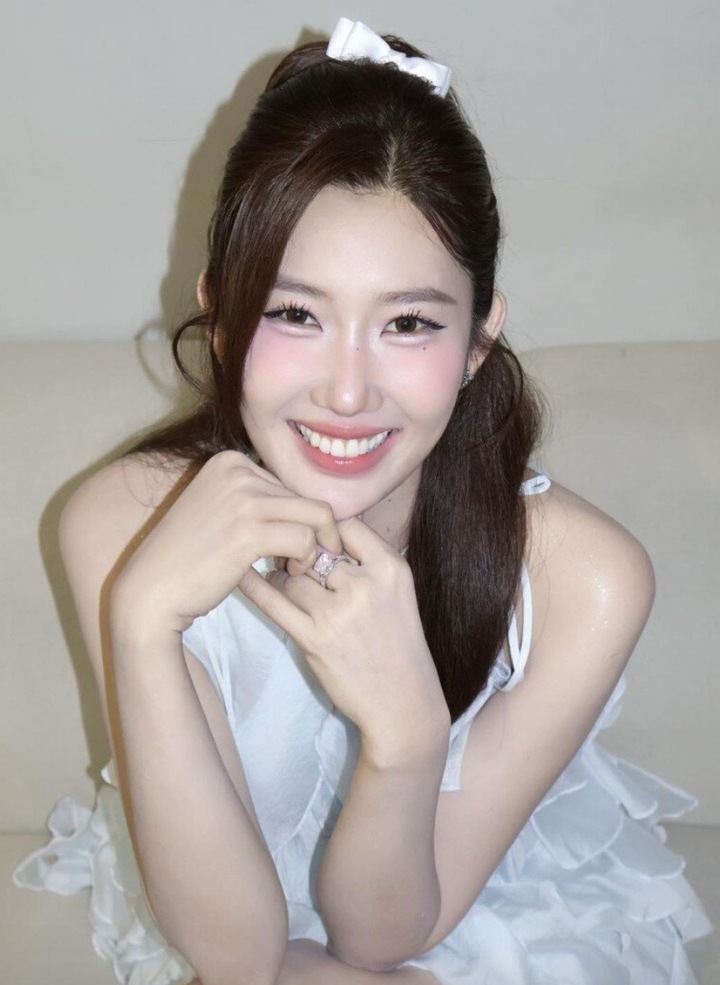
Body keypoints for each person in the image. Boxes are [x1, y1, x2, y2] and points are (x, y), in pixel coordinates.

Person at [14, 18, 711, 985]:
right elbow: (237, 958)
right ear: (222, 320)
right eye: (295, 313)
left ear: (478, 340)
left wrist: (409, 737)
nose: (346, 392)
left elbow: (382, 943)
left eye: (408, 323)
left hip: (461, 900)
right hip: (219, 905)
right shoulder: (121, 524)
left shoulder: (586, 579)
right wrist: (139, 623)